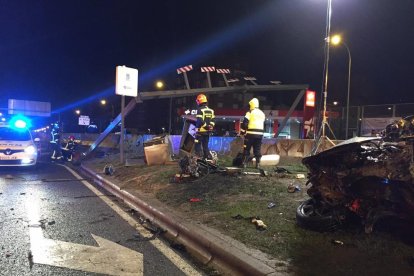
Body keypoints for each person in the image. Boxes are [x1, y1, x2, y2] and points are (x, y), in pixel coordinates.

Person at [240, 98, 265, 169]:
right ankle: (258, 165)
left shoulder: (250, 112)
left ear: (251, 105)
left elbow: (244, 123)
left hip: (250, 134)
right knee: (257, 149)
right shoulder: (262, 113)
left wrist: (242, 132)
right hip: (260, 134)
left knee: (246, 149)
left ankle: (244, 164)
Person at [194, 93, 215, 159]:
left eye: (197, 101)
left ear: (199, 101)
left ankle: (199, 158)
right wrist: (210, 126)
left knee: (197, 145)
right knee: (205, 146)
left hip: (200, 131)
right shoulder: (211, 110)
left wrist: (205, 126)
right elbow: (213, 120)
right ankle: (207, 158)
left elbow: (200, 120)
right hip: (207, 132)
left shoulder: (200, 110)